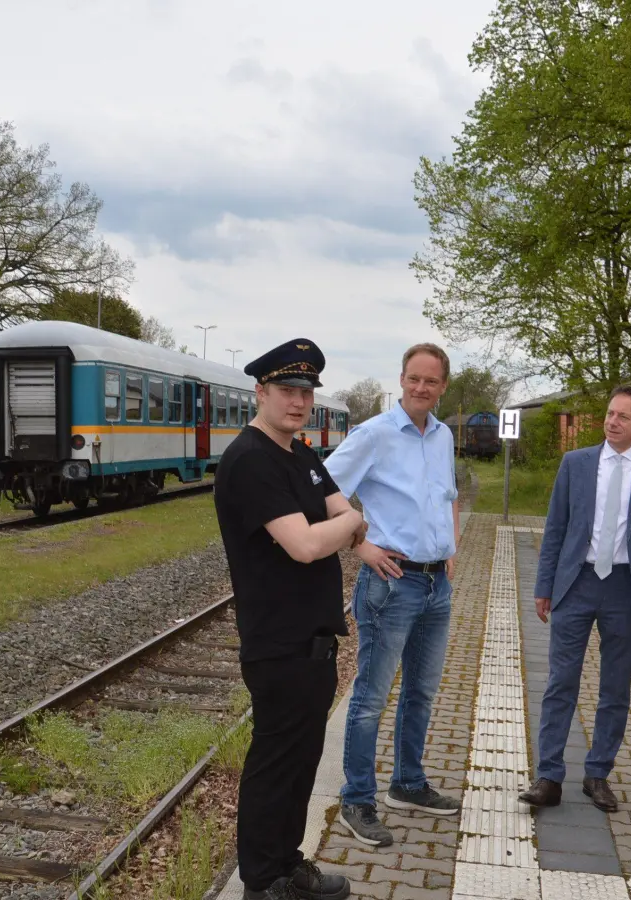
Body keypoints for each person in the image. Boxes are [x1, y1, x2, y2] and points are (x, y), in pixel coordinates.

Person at [214, 338, 362, 900]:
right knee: (274, 767)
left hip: (315, 642)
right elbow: (304, 543)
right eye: (286, 391)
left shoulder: (299, 454)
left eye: (305, 392)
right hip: (278, 643)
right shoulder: (251, 459)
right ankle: (261, 882)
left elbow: (340, 507)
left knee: (301, 766)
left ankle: (286, 864)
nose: (298, 402)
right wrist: (349, 528)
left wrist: (345, 523)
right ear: (261, 392)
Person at [324, 343, 462, 847]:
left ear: (442, 386)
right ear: (401, 380)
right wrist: (361, 543)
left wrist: (450, 542)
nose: (421, 388)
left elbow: (446, 495)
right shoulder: (375, 435)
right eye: (413, 379)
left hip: (436, 584)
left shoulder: (443, 435)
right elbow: (319, 485)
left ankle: (408, 784)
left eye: (430, 381)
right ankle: (357, 801)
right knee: (369, 699)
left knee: (421, 692)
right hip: (390, 583)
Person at [520, 384, 631, 812]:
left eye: (623, 417)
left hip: (626, 590)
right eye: (610, 414)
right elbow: (555, 528)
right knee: (560, 682)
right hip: (576, 583)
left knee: (615, 688)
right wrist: (543, 586)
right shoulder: (577, 463)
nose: (612, 422)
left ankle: (597, 774)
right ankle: (549, 775)